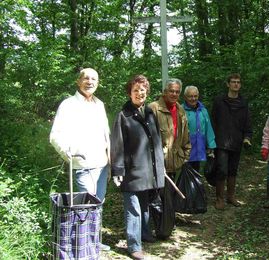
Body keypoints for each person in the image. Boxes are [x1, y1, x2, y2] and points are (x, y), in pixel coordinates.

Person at [50, 68, 111, 251]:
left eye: (93, 79)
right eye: (86, 78)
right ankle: (84, 245)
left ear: (98, 83)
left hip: (102, 165)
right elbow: (55, 135)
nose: (89, 82)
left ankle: (94, 241)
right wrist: (67, 153)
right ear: (78, 81)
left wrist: (110, 160)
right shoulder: (68, 105)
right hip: (82, 165)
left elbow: (106, 134)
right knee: (86, 207)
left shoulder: (99, 104)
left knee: (98, 204)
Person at [111, 75, 165, 260]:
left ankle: (144, 233)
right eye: (135, 90)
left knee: (144, 205)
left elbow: (156, 141)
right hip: (131, 170)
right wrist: (117, 170)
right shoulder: (123, 115)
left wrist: (160, 166)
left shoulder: (149, 112)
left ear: (146, 92)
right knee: (133, 208)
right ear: (129, 93)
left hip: (148, 170)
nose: (139, 93)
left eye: (142, 90)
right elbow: (117, 145)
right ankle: (134, 246)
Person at [211, 73, 252, 210]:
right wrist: (211, 141)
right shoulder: (219, 101)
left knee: (233, 170)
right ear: (228, 84)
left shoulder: (243, 102)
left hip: (237, 140)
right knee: (222, 170)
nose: (236, 84)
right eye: (233, 82)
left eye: (238, 82)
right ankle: (219, 198)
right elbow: (213, 121)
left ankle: (231, 196)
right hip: (221, 141)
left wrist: (247, 137)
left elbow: (247, 122)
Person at [149, 78, 191, 177]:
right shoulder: (153, 108)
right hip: (158, 164)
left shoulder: (181, 110)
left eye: (177, 92)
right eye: (171, 91)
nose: (174, 94)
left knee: (172, 192)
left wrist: (186, 156)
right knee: (158, 193)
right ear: (165, 92)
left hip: (176, 162)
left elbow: (186, 137)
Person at [183, 85, 216, 172]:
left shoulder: (203, 110)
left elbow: (208, 128)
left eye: (195, 96)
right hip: (185, 149)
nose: (193, 98)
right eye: (190, 96)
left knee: (196, 172)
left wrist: (211, 146)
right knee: (185, 176)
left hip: (199, 147)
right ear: (185, 97)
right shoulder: (181, 110)